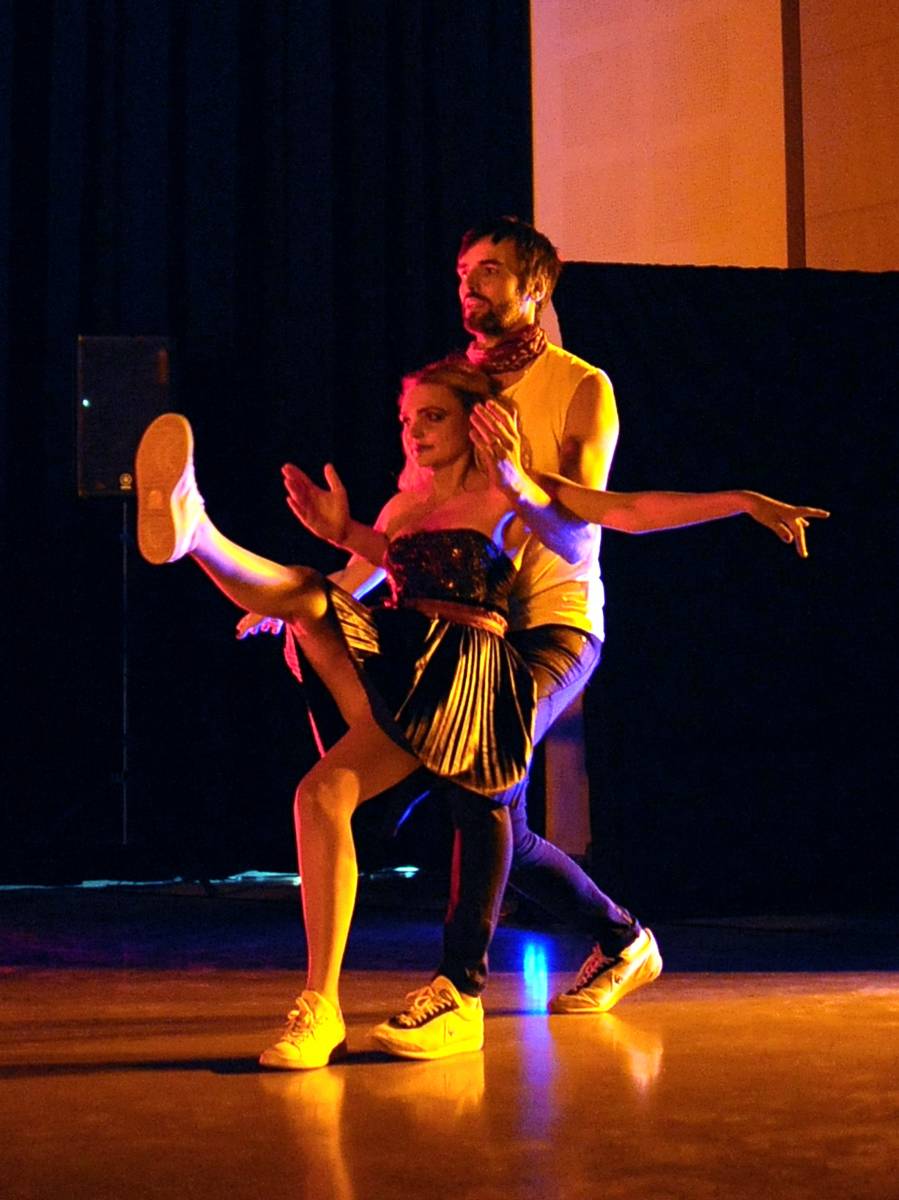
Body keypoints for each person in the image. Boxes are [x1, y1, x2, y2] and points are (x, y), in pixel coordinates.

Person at [281, 216, 828, 1059]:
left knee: (478, 781)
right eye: (462, 271)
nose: (469, 285)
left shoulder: (579, 386)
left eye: (489, 271)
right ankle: (623, 938)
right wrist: (330, 584)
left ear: (534, 286)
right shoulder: (454, 388)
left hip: (553, 625)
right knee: (504, 815)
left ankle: (458, 989)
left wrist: (737, 499)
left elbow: (587, 525)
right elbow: (409, 535)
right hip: (467, 628)